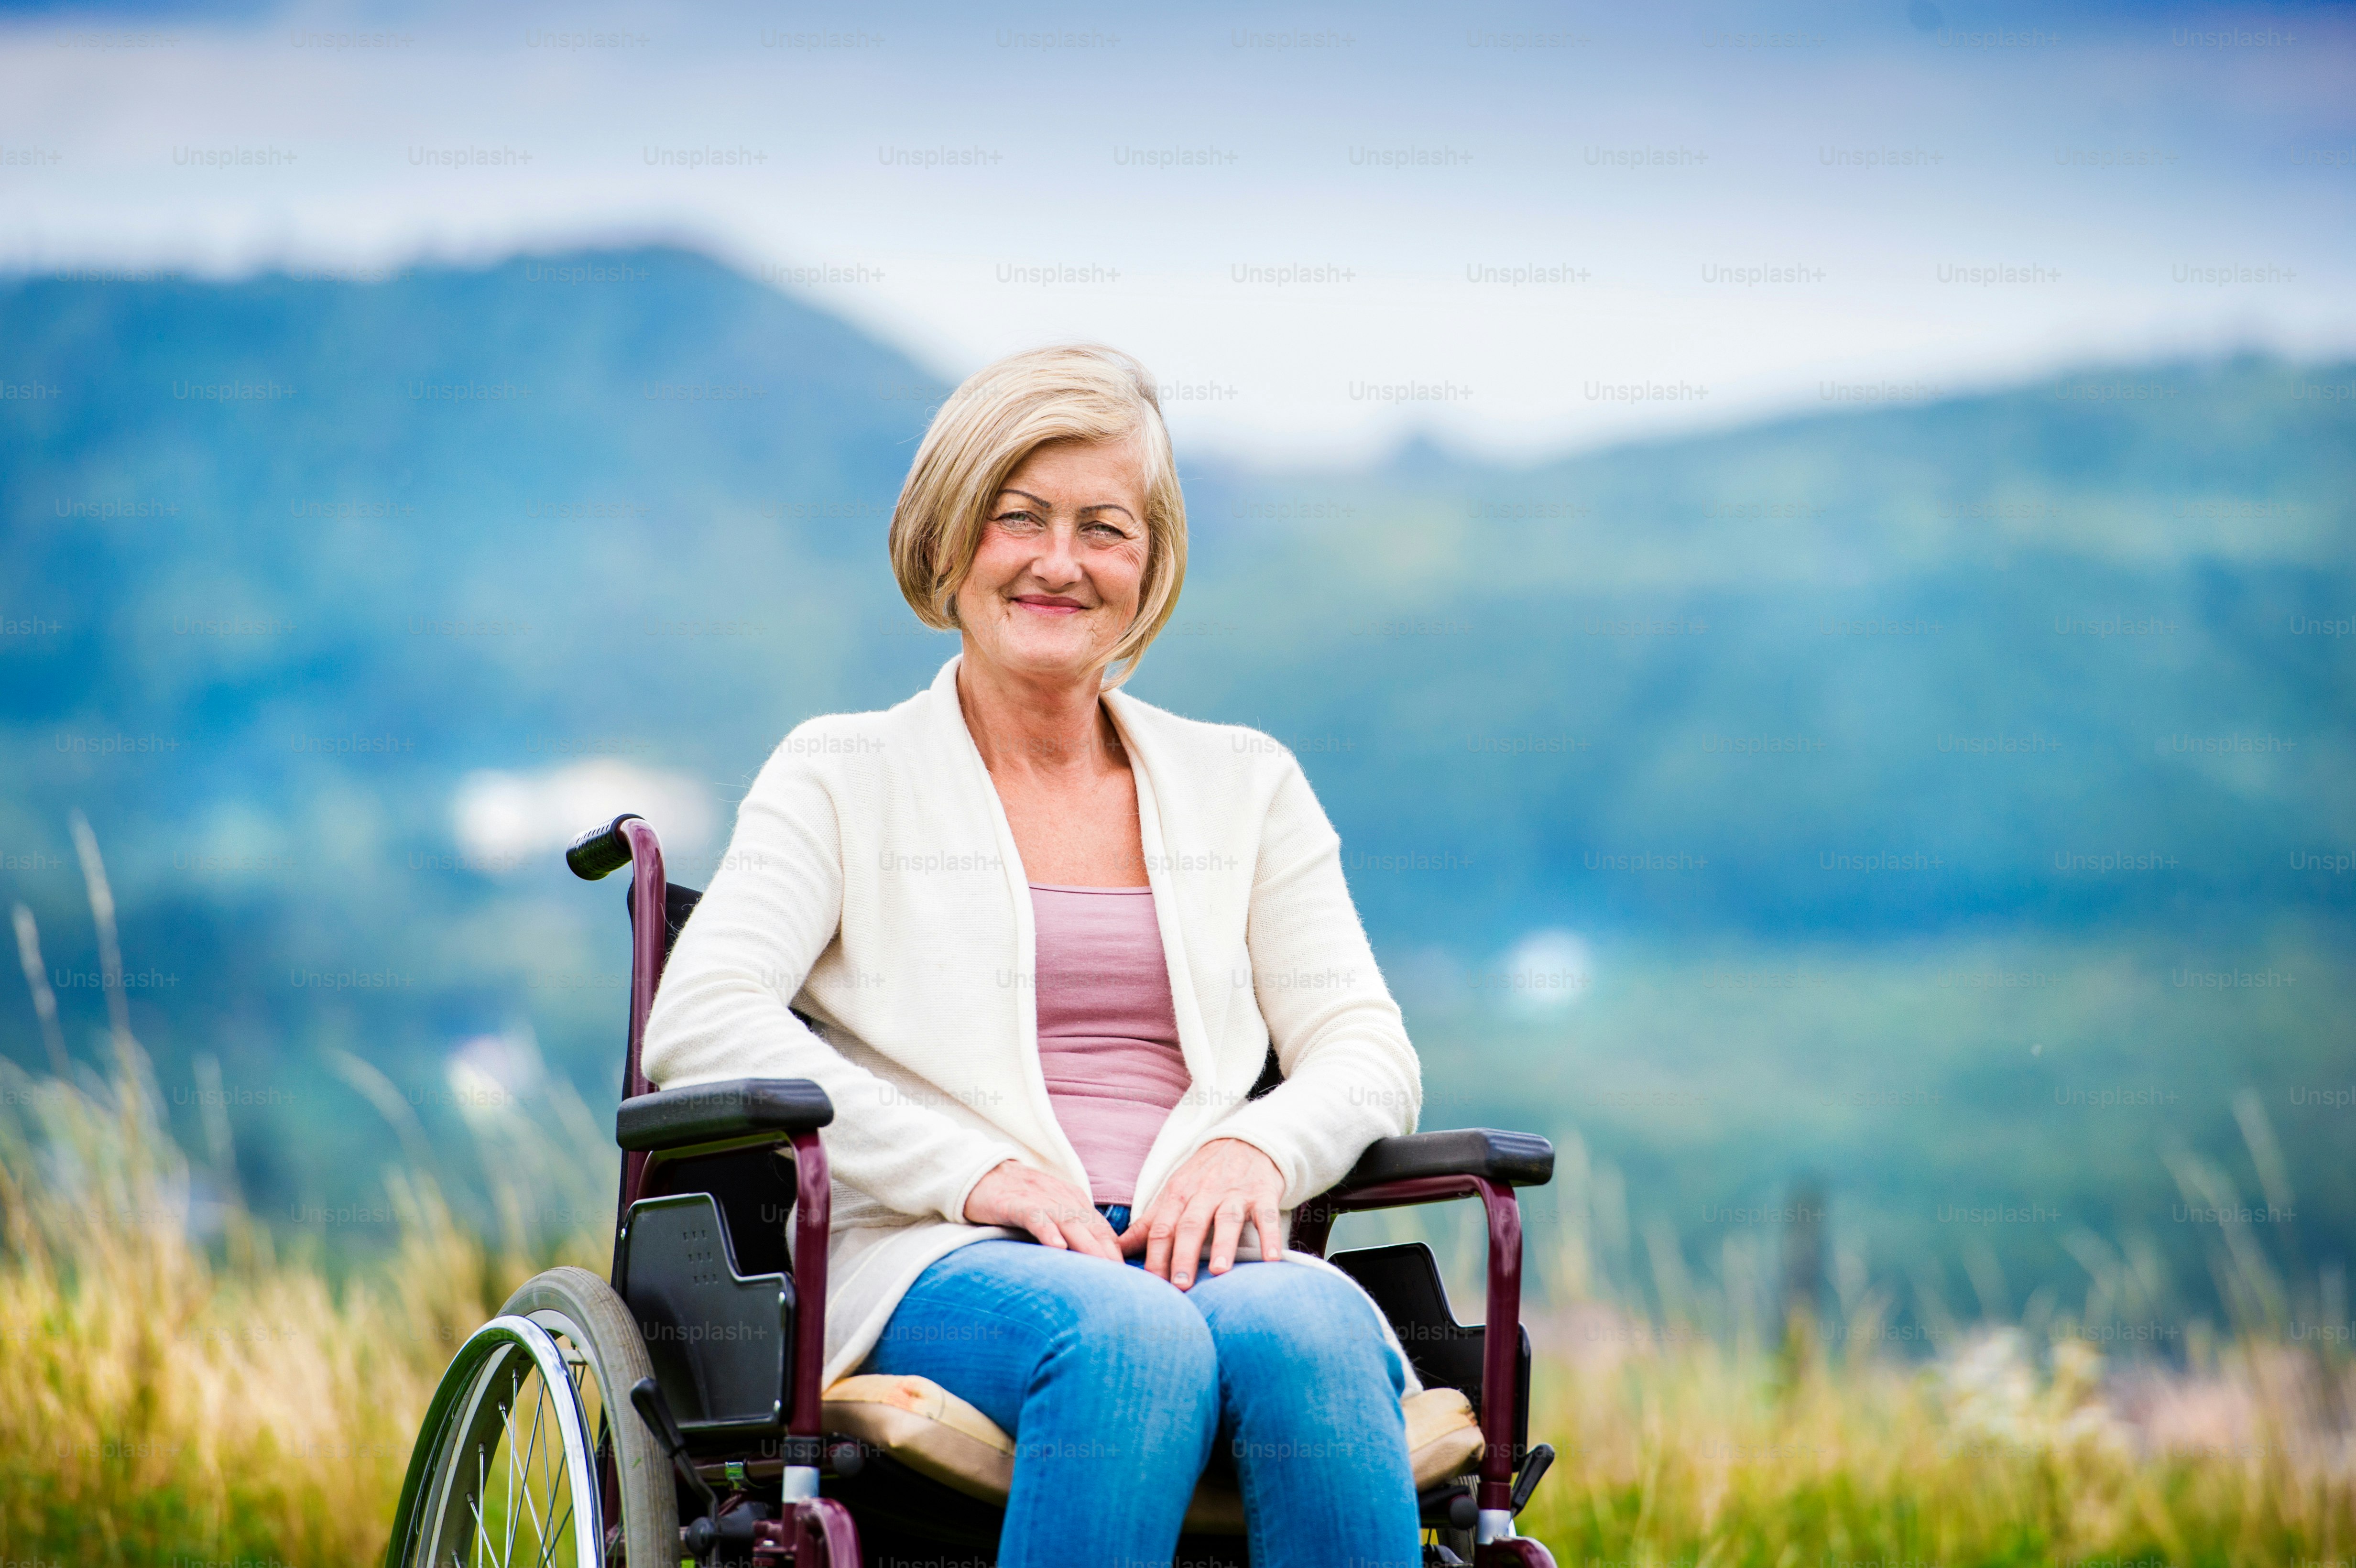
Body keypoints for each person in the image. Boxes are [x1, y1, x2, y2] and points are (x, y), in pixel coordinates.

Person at [643, 343, 1425, 1567]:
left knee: (1313, 1324)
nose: (1061, 561)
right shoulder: (841, 772)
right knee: (1126, 1336)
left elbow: (1365, 1046)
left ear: (1149, 566)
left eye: (1105, 528)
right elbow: (701, 1018)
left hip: (1205, 1255)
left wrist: (1253, 1144)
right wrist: (978, 1171)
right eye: (1021, 518)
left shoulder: (1247, 783)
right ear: (952, 541)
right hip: (939, 1257)